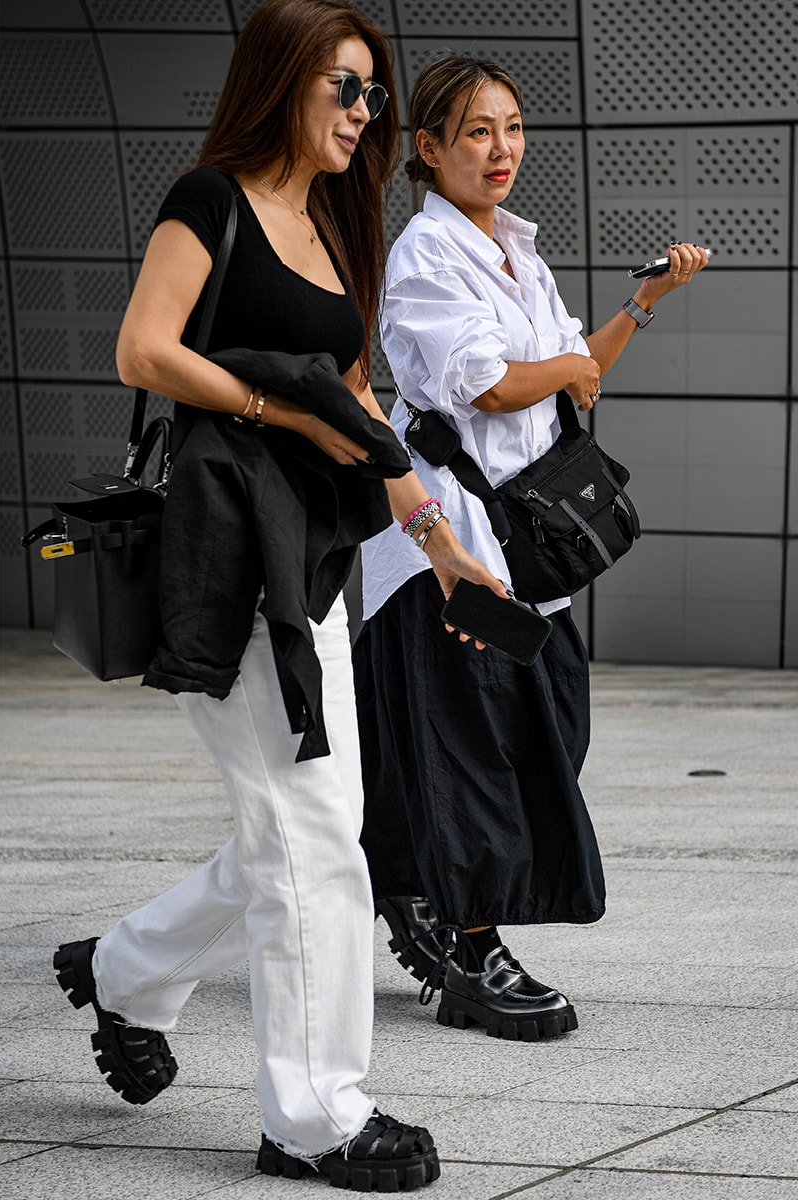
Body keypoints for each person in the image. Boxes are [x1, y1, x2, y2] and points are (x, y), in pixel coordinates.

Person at [52, 9, 508, 1191]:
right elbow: (144, 350)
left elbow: (358, 418)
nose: (364, 113)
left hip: (311, 563)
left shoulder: (328, 228)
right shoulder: (209, 199)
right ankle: (312, 1115)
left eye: (373, 94)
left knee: (306, 827)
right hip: (223, 553)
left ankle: (126, 968)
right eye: (343, 89)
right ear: (281, 86)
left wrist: (436, 538)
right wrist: (276, 413)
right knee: (308, 832)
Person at [355, 52, 709, 1043]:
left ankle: (410, 888)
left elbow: (572, 379)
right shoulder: (423, 255)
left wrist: (641, 307)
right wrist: (552, 368)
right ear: (427, 148)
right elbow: (488, 385)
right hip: (451, 550)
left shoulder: (519, 251)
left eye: (510, 127)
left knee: (554, 726)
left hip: (525, 553)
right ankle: (471, 956)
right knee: (476, 747)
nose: (501, 148)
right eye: (476, 130)